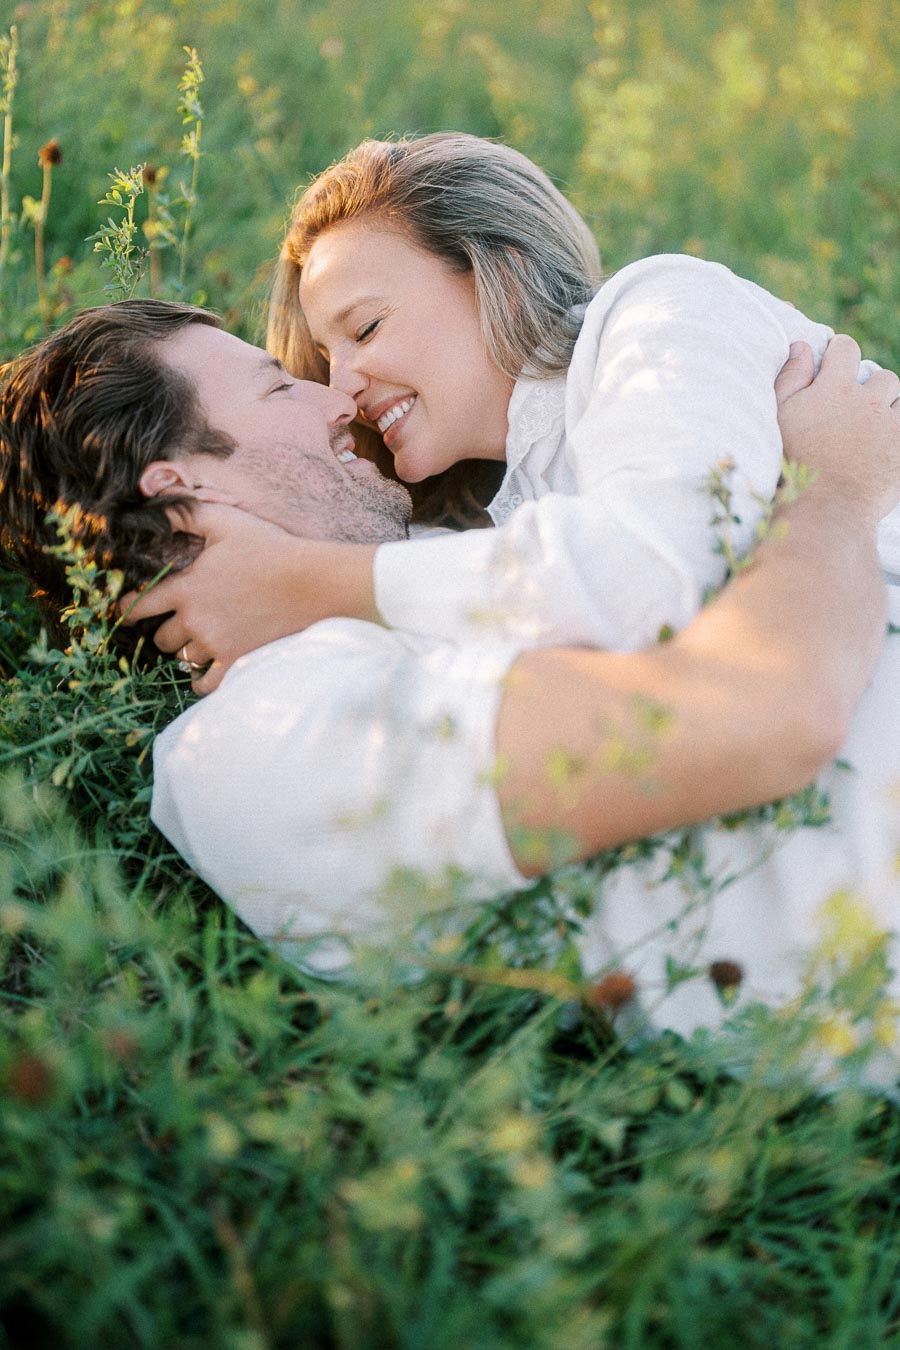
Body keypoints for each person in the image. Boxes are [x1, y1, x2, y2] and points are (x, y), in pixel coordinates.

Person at [1, 300, 899, 1069]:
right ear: (184, 497)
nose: (332, 396)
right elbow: (763, 715)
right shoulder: (263, 742)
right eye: (278, 386)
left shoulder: (453, 566)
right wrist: (837, 490)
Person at [127, 133, 900, 690]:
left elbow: (658, 576)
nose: (343, 388)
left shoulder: (659, 309)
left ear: (501, 268)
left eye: (365, 329)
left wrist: (304, 581)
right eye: (326, 361)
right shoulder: (492, 525)